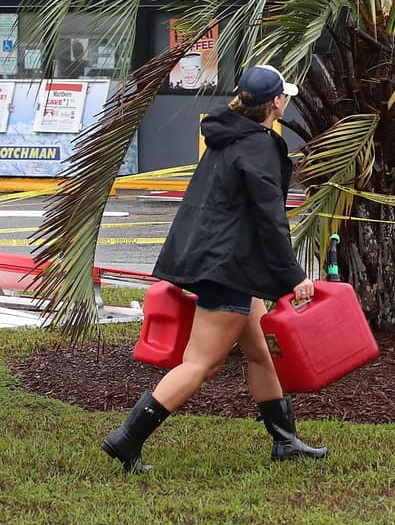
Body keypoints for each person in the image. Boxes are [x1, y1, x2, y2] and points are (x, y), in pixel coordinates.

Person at [102, 65, 324, 474]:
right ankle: (127, 439)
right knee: (200, 363)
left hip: (215, 259)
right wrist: (294, 276)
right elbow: (270, 220)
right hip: (228, 266)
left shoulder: (227, 134)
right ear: (277, 102)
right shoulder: (258, 146)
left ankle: (285, 441)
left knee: (260, 354)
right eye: (284, 97)